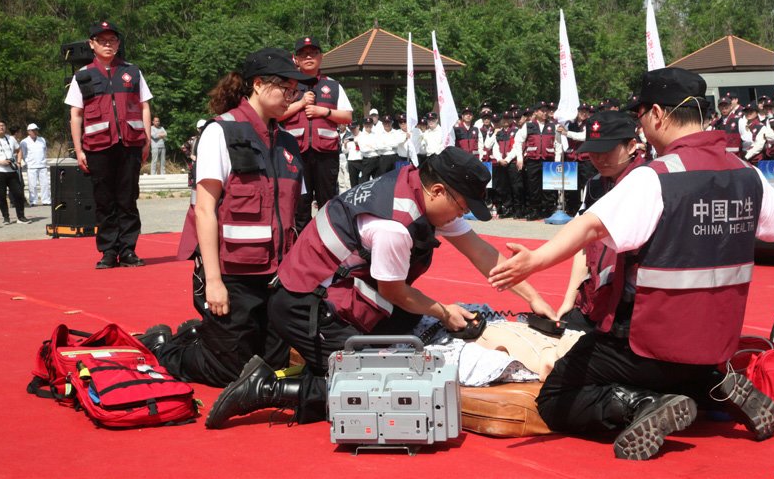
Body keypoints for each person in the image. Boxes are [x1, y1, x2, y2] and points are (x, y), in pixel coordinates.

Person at [488, 67, 774, 460]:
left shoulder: (654, 178)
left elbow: (590, 226)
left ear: (656, 114)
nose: (640, 126)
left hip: (646, 345)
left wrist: (536, 259)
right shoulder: (747, 174)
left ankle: (639, 405)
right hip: (712, 344)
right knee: (681, 368)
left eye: (639, 116)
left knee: (556, 396)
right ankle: (714, 384)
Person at [204, 146, 558, 429]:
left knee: (409, 331)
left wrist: (535, 298)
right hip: (306, 308)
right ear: (438, 191)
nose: (459, 217)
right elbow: (395, 292)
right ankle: (269, 388)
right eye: (462, 208)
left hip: (326, 294)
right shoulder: (394, 227)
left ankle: (315, 362)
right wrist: (443, 311)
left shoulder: (416, 187)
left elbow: (481, 253)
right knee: (392, 385)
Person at [145, 47, 316, 388]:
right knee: (231, 373)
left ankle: (203, 335)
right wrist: (214, 282)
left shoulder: (287, 143)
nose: (291, 96)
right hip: (233, 276)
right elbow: (205, 210)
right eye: (285, 87)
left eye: (295, 90)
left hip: (277, 279)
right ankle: (164, 349)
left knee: (271, 367)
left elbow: (300, 216)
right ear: (257, 84)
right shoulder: (221, 133)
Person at [65, 20, 152, 268]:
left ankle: (127, 250)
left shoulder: (132, 72)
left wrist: (145, 139)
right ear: (91, 44)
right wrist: (79, 149)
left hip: (130, 144)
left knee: (127, 199)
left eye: (112, 40)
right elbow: (76, 114)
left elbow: (145, 105)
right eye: (102, 40)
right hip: (98, 146)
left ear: (118, 43)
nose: (107, 44)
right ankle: (107, 251)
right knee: (104, 201)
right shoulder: (82, 76)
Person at [556, 111, 646, 331]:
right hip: (595, 301)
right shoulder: (595, 185)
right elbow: (584, 245)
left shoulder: (648, 182)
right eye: (594, 152)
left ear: (632, 146)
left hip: (635, 309)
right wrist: (569, 299)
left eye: (607, 151)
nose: (599, 159)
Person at [281, 36, 353, 231]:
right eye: (303, 54)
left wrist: (324, 112)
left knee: (327, 204)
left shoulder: (334, 85)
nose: (309, 57)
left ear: (321, 57)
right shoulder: (287, 86)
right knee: (299, 206)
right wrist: (300, 104)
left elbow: (347, 116)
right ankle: (299, 252)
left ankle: (325, 249)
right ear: (296, 59)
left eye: (313, 53)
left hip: (326, 154)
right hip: (295, 155)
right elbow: (275, 114)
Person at [0, 119, 28, 224]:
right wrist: (0, 162)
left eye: (3, 125)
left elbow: (19, 150)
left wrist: (18, 162)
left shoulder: (11, 138)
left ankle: (21, 217)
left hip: (12, 170)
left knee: (18, 193)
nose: (1, 127)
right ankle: (6, 217)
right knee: (1, 194)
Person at [20, 123, 51, 206]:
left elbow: (45, 151)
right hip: (31, 166)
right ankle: (33, 201)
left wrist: (44, 160)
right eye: (33, 130)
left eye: (36, 130)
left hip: (42, 165)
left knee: (44, 184)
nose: (35, 131)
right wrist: (28, 162)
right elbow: (23, 153)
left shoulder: (42, 139)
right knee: (32, 185)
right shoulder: (24, 142)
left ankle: (46, 200)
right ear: (28, 131)